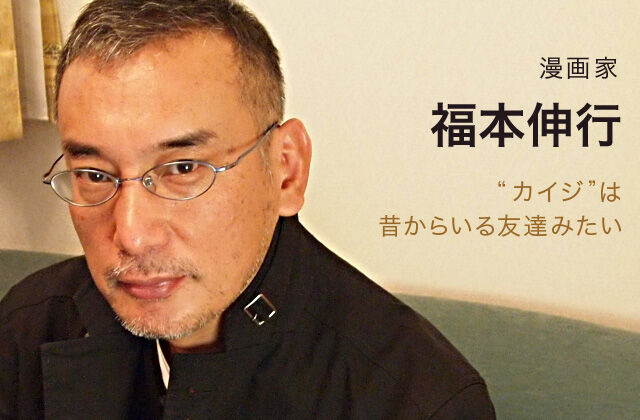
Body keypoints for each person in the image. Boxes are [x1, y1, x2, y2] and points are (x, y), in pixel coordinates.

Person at [0, 0, 495, 418]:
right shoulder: (29, 326)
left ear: (286, 170)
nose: (131, 235)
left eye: (183, 168)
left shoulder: (417, 398)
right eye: (94, 175)